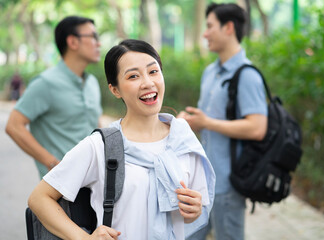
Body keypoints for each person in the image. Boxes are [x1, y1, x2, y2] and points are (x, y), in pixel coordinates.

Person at [28, 39, 215, 240]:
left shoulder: (183, 140)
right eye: (133, 76)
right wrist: (83, 238)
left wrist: (193, 211)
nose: (148, 83)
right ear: (115, 89)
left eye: (153, 72)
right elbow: (39, 198)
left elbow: (189, 216)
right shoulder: (102, 146)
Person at [178, 3, 268, 240]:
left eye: (210, 26)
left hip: (227, 185)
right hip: (201, 183)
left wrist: (207, 122)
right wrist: (189, 122)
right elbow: (208, 122)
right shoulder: (210, 72)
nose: (205, 33)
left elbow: (258, 127)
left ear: (228, 28)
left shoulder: (247, 75)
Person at [5, 16, 103, 178]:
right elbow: (14, 126)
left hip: (94, 182)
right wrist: (52, 163)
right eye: (93, 37)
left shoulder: (92, 82)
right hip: (60, 187)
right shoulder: (45, 83)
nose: (98, 43)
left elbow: (95, 126)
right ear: (72, 42)